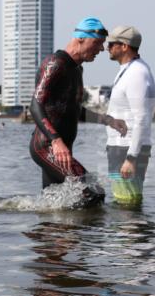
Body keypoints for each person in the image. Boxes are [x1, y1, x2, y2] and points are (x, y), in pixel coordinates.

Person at [29, 17, 127, 205]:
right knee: (93, 192)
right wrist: (56, 141)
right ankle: (85, 233)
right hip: (47, 147)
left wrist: (108, 120)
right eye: (97, 43)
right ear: (81, 38)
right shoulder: (54, 63)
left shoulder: (77, 69)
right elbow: (35, 105)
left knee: (53, 204)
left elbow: (74, 110)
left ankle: (56, 233)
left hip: (61, 149)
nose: (101, 49)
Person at [104, 25, 154, 207]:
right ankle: (130, 234)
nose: (106, 47)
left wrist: (131, 158)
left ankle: (132, 235)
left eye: (111, 44)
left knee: (127, 204)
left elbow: (142, 118)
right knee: (123, 200)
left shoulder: (136, 74)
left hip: (127, 149)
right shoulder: (129, 69)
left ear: (124, 46)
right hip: (121, 147)